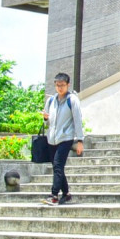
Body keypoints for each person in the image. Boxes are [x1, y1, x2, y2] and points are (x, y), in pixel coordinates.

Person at [39, 72, 84, 206]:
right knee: (57, 167)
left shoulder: (72, 100)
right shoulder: (51, 101)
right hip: (52, 139)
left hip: (66, 138)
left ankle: (53, 195)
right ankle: (66, 194)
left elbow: (78, 120)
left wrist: (80, 140)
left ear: (68, 85)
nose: (60, 88)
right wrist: (45, 118)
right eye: (57, 85)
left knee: (58, 165)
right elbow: (47, 123)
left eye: (62, 85)